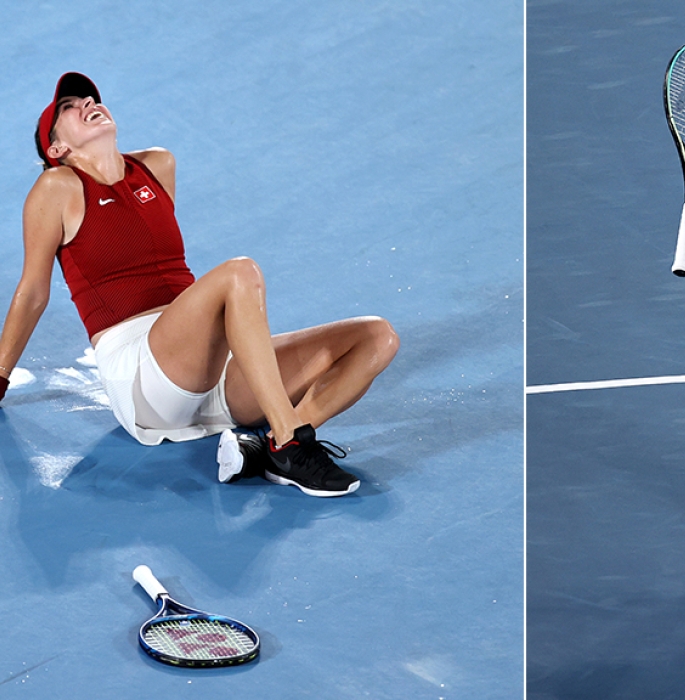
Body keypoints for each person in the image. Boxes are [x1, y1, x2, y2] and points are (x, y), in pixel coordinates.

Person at [0, 72, 399, 497]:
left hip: (211, 373)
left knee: (377, 337)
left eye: (87, 98)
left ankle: (264, 449)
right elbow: (34, 291)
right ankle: (289, 443)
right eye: (68, 107)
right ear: (57, 149)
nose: (85, 103)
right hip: (143, 375)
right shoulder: (56, 186)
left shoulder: (157, 165)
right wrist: (1, 375)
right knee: (239, 272)